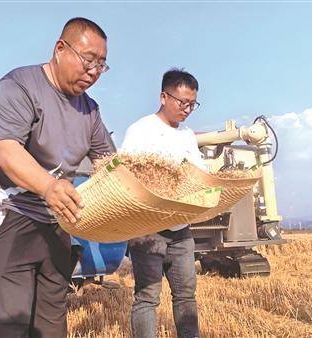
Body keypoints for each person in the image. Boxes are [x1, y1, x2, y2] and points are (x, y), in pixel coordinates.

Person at [0, 17, 111, 338]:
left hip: (57, 218)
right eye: (88, 60)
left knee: (51, 320)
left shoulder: (89, 110)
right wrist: (49, 186)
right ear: (60, 49)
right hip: (11, 212)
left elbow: (107, 161)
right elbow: (7, 152)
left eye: (101, 66)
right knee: (11, 322)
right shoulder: (19, 87)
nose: (93, 72)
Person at [120, 68, 203, 338]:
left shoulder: (188, 136)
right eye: (183, 102)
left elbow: (199, 174)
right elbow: (125, 175)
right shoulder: (141, 131)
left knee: (186, 296)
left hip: (181, 231)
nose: (188, 109)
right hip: (148, 231)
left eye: (193, 103)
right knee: (147, 298)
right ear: (163, 97)